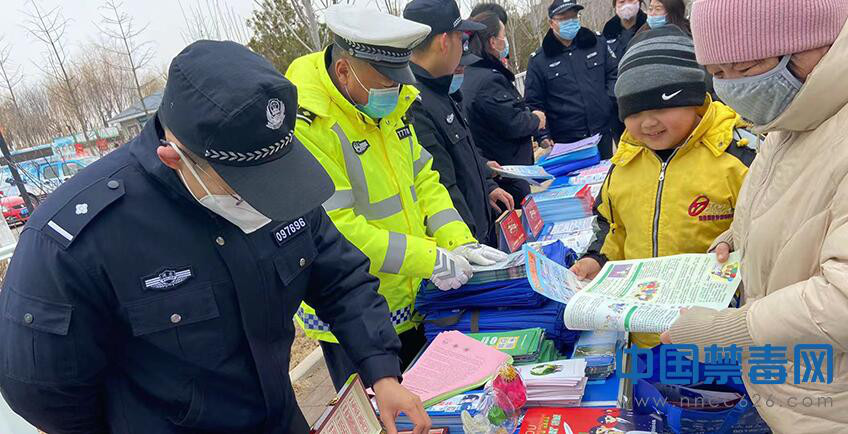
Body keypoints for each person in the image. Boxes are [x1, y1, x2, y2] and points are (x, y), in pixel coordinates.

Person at [0, 40, 431, 434]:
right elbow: (43, 391)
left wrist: (381, 371)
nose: (265, 202)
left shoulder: (279, 182)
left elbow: (341, 279)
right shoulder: (77, 240)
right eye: (246, 186)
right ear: (174, 157)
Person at [285, 6, 508, 391]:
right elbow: (337, 230)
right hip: (353, 315)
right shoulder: (309, 127)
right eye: (386, 80)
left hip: (411, 297)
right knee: (384, 413)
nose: (395, 89)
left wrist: (458, 240)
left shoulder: (391, 104)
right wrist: (429, 258)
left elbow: (424, 178)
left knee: (431, 402)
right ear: (344, 71)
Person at [660, 0, 848, 431]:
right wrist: (738, 236)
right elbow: (792, 202)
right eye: (718, 73)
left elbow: (841, 299)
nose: (734, 88)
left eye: (746, 69)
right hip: (794, 388)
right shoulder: (792, 114)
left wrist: (726, 329)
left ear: (815, 44)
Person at [569, 26, 756, 349]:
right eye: (634, 112)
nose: (648, 123)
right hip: (643, 333)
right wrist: (596, 259)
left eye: (661, 108)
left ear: (694, 100)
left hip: (718, 335)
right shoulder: (625, 162)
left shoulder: (735, 157)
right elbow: (611, 225)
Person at [404, 0, 514, 247]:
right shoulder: (414, 104)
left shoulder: (443, 90)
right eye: (460, 37)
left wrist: (487, 185)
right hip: (463, 245)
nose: (463, 47)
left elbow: (464, 156)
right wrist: (470, 245)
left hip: (480, 233)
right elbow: (442, 186)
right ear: (445, 42)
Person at [461, 12, 547, 205]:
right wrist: (536, 119)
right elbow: (512, 121)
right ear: (493, 42)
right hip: (506, 176)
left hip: (495, 171)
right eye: (504, 36)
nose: (505, 42)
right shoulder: (488, 80)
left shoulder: (472, 73)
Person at [525, 0, 618, 159]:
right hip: (567, 141)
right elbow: (534, 102)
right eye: (563, 18)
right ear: (552, 23)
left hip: (602, 131)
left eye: (573, 17)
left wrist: (607, 102)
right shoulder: (539, 60)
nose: (570, 22)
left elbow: (613, 74)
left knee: (606, 173)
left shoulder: (596, 43)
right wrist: (543, 135)